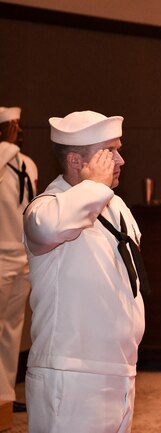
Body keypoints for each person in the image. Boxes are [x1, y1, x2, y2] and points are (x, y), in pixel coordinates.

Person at [23, 110, 148, 433]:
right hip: (72, 377)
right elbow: (50, 226)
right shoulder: (47, 207)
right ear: (76, 161)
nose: (120, 161)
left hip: (120, 371)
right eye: (110, 152)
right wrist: (95, 187)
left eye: (120, 150)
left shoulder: (116, 206)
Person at [0, 106, 37, 413]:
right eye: (13, 126)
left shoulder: (28, 164)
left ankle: (6, 396)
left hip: (21, 261)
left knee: (12, 331)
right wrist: (6, 145)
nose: (19, 131)